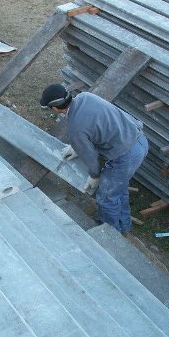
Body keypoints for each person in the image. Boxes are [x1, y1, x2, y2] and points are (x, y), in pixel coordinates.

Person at [40, 84, 148, 233]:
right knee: (118, 189)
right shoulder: (86, 96)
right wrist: (78, 145)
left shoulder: (75, 128)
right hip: (139, 139)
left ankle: (111, 235)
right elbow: (101, 124)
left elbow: (91, 158)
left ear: (55, 108)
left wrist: (94, 175)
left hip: (125, 155)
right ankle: (124, 226)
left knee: (106, 198)